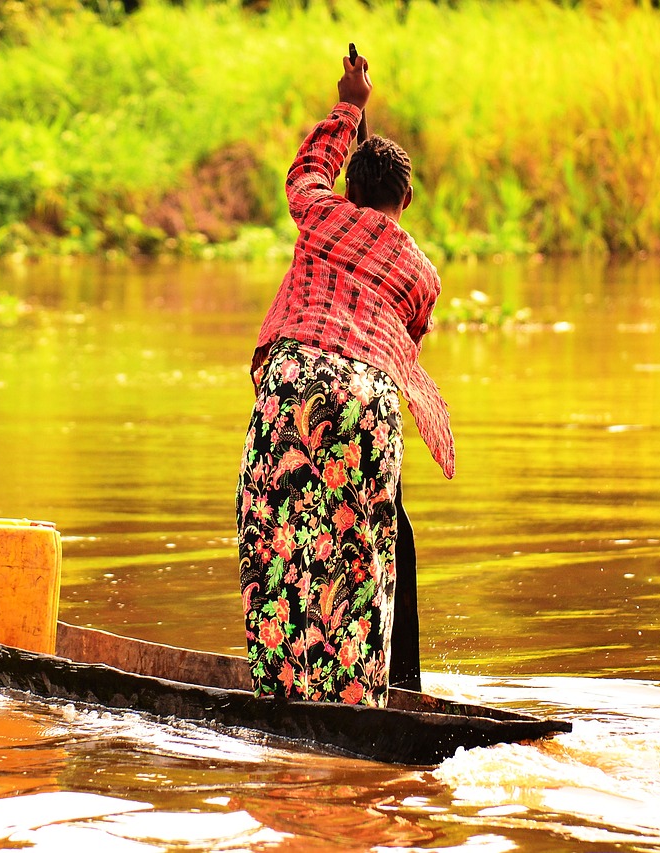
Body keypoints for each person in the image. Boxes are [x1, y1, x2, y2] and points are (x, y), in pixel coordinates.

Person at [235, 49, 455, 707]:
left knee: (279, 531)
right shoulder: (423, 275)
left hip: (299, 381)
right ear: (406, 198)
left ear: (351, 192)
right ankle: (359, 698)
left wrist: (349, 104)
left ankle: (288, 691)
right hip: (373, 404)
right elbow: (409, 342)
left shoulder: (323, 212)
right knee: (361, 556)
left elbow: (306, 172)